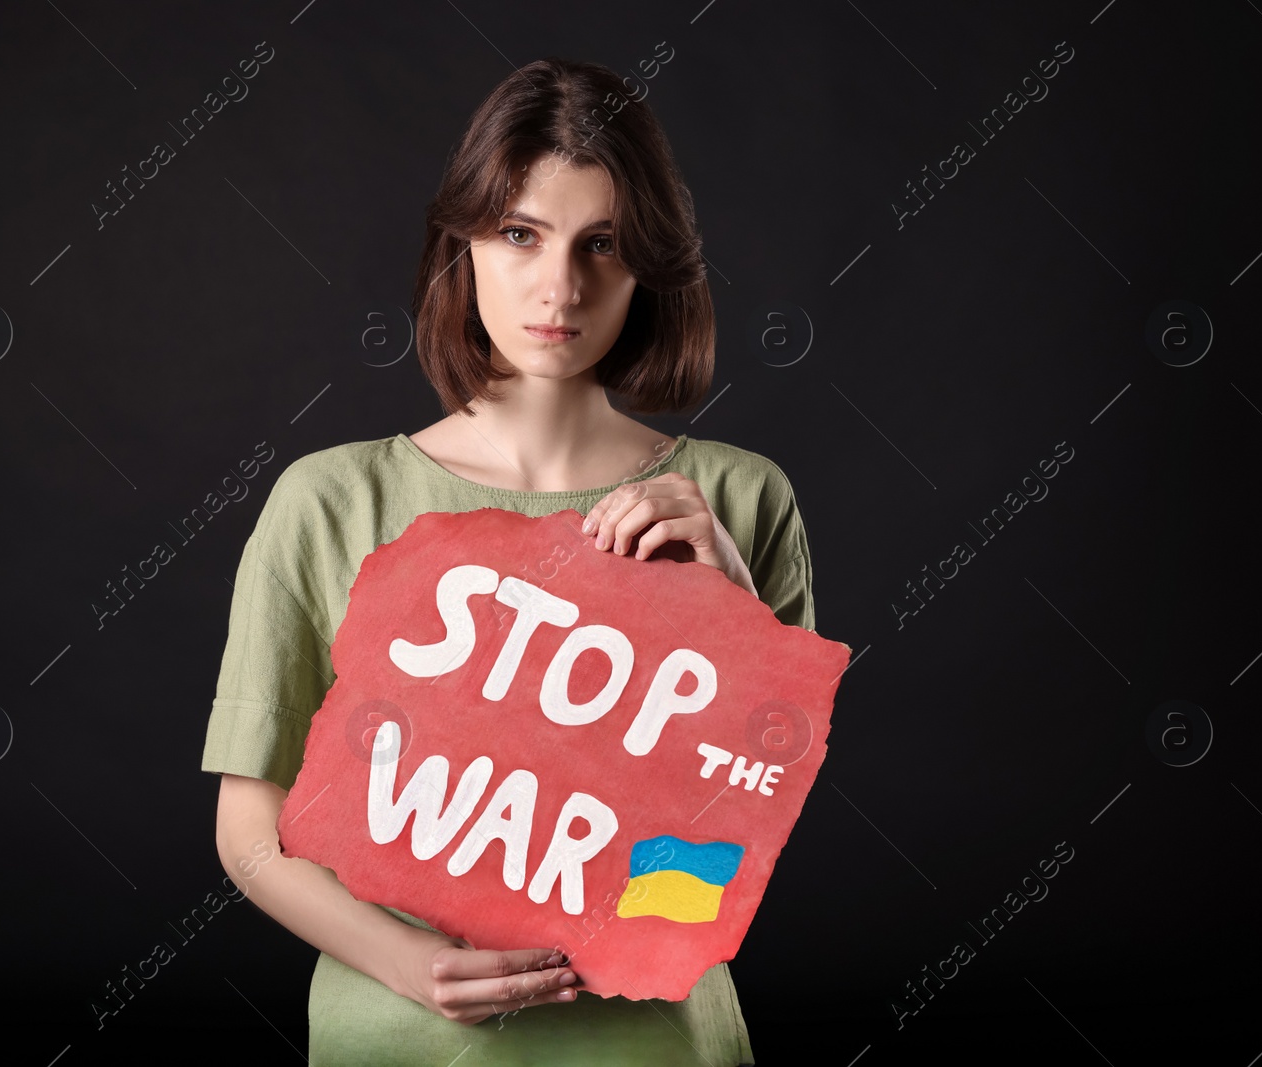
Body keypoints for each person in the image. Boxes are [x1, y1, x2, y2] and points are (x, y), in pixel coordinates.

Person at [202, 56, 816, 1066]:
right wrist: (401, 960)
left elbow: (748, 832)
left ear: (647, 265)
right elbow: (248, 827)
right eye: (519, 234)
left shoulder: (740, 500)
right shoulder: (330, 502)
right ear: (463, 245)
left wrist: (732, 603)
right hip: (392, 1043)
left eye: (602, 246)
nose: (559, 286)